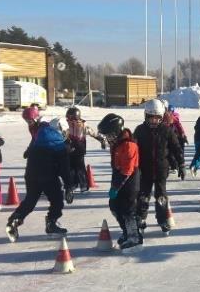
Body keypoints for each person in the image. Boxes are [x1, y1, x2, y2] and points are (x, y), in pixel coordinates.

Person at [6, 117, 75, 242]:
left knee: (30, 200)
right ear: (62, 131)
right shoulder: (60, 146)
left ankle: (15, 219)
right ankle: (51, 223)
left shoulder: (38, 139)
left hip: (31, 175)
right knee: (57, 200)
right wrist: (69, 186)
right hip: (49, 177)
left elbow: (30, 156)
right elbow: (64, 170)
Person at [134, 99, 185, 234]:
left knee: (161, 197)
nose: (154, 121)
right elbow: (133, 150)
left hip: (161, 170)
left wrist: (181, 164)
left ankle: (162, 219)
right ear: (146, 116)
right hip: (144, 171)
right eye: (151, 118)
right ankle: (140, 218)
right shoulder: (140, 130)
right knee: (143, 196)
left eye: (157, 118)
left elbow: (176, 148)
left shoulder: (166, 130)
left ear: (161, 118)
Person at [98, 113, 142, 250]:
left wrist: (116, 187)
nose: (108, 139)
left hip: (129, 180)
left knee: (128, 209)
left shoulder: (129, 145)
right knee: (114, 206)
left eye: (110, 135)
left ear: (117, 132)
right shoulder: (117, 144)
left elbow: (127, 169)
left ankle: (134, 236)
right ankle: (126, 231)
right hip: (119, 177)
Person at [65, 107, 106, 193]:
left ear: (75, 117)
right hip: (70, 148)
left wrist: (101, 139)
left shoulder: (83, 126)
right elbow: (64, 135)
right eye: (67, 118)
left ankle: (84, 185)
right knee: (71, 167)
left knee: (80, 167)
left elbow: (93, 133)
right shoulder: (67, 125)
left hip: (79, 148)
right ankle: (73, 184)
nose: (68, 120)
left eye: (69, 118)